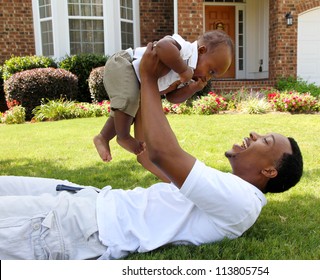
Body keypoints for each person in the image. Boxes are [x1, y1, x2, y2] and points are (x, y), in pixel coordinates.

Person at [0, 43, 303, 260]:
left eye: (265, 141)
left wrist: (147, 79)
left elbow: (163, 153)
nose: (254, 134)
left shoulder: (241, 202)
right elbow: (151, 155)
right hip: (87, 199)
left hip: (78, 226)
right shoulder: (227, 189)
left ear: (269, 171)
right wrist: (152, 89)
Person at [93, 30, 234, 181]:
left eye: (213, 75)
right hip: (124, 64)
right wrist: (182, 69)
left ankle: (103, 137)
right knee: (128, 101)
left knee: (127, 109)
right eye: (211, 70)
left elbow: (172, 97)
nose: (208, 77)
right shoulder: (184, 50)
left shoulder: (188, 75)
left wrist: (193, 88)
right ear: (201, 50)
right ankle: (124, 137)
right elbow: (162, 46)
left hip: (136, 82)